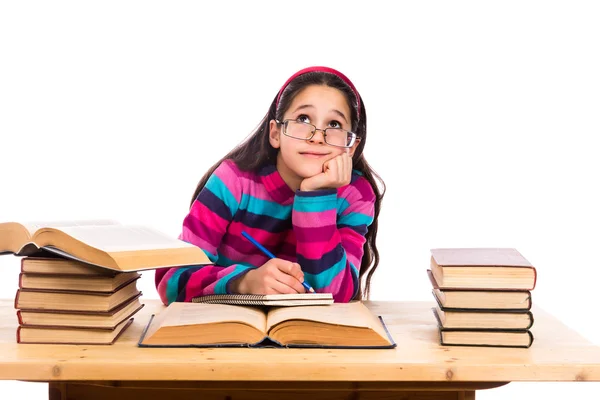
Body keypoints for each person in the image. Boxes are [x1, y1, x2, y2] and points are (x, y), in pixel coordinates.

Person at [155, 66, 385, 304]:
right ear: (275, 133)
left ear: (351, 146)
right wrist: (244, 282)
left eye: (334, 124)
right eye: (303, 119)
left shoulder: (355, 195)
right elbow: (170, 281)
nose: (317, 136)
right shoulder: (233, 182)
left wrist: (316, 196)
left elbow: (336, 296)